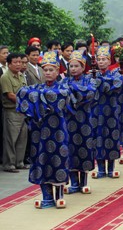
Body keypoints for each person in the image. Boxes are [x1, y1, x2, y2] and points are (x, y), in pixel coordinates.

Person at [17, 51, 75, 208]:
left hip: (58, 132)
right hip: (40, 132)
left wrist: (36, 95)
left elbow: (57, 96)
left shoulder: (63, 88)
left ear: (57, 72)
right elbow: (21, 93)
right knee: (41, 160)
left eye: (51, 70)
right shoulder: (38, 87)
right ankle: (47, 197)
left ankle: (60, 196)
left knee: (58, 159)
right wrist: (36, 94)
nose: (48, 73)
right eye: (45, 70)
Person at [61, 50, 98, 194]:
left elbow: (90, 93)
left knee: (84, 148)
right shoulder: (64, 81)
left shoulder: (90, 80)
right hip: (69, 120)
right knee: (70, 149)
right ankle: (74, 183)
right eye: (71, 66)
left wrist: (73, 90)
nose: (74, 69)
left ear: (83, 67)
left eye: (77, 66)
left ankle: (83, 182)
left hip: (85, 120)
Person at [91, 46, 123, 179]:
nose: (101, 62)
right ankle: (100, 169)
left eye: (104, 59)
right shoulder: (93, 75)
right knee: (98, 138)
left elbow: (114, 86)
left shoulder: (116, 74)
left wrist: (99, 81)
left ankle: (111, 168)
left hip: (111, 111)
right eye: (99, 59)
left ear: (109, 61)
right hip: (96, 111)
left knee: (111, 137)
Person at [1, 53, 28, 173]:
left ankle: (19, 162)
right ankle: (9, 164)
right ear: (9, 64)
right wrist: (25, 102)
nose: (19, 65)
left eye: (20, 62)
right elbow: (10, 95)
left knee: (22, 137)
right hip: (11, 110)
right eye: (15, 62)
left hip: (23, 111)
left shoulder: (21, 75)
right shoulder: (5, 77)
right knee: (11, 138)